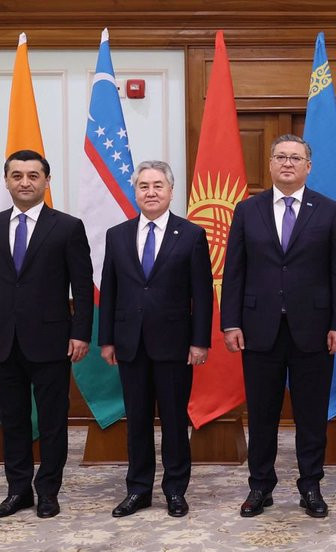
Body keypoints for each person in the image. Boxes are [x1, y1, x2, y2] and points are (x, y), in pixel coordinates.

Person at [220, 134, 336, 518]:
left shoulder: (329, 211)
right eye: (280, 157)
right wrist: (231, 322)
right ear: (270, 164)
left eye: (295, 158)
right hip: (258, 329)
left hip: (314, 329)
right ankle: (260, 486)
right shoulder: (248, 210)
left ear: (308, 166)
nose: (287, 163)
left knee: (311, 416)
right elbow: (234, 271)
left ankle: (310, 485)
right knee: (262, 415)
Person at [0, 149, 94, 519]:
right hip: (3, 340)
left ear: (46, 181)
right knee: (13, 420)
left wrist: (81, 333)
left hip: (52, 341)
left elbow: (82, 287)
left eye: (33, 176)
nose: (25, 182)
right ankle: (18, 490)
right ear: (7, 181)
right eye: (17, 176)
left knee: (53, 421)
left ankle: (48, 491)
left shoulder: (67, 227)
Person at [98, 160, 212, 518]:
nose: (150, 192)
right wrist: (107, 339)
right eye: (143, 186)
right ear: (135, 192)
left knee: (175, 422)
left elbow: (202, 294)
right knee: (137, 420)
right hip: (130, 343)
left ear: (171, 191)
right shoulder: (117, 235)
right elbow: (110, 290)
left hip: (175, 344)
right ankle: (138, 490)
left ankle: (175, 490)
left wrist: (200, 341)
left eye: (158, 185)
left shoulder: (191, 235)